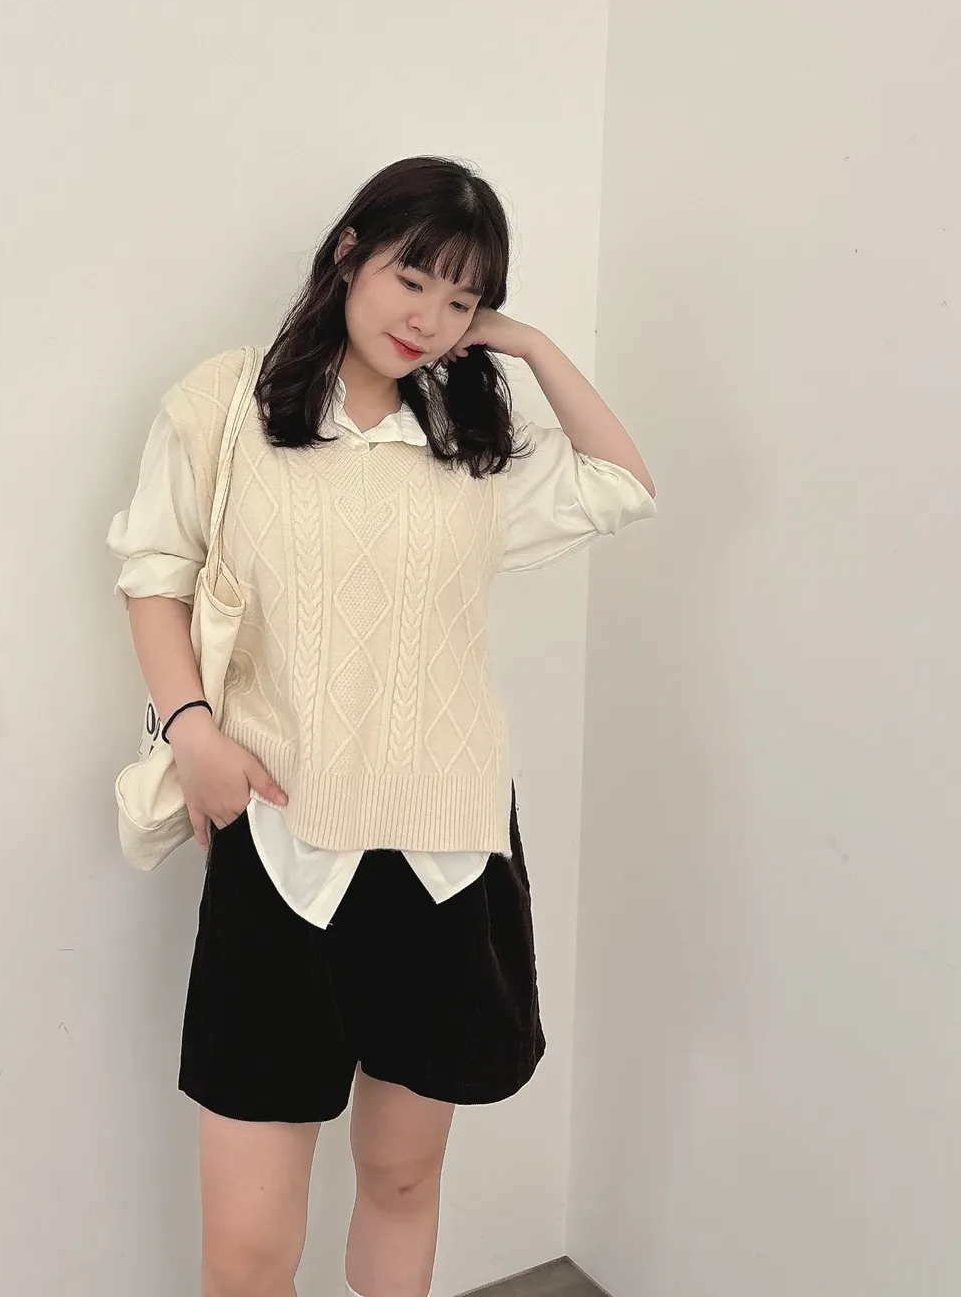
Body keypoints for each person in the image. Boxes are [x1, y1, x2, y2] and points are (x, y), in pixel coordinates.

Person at [106, 156, 657, 1297]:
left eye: (463, 299)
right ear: (350, 252)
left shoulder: (472, 441)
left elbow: (621, 483)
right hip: (281, 847)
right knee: (247, 1247)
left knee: (403, 1183)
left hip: (444, 856)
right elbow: (154, 574)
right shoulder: (224, 407)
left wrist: (527, 344)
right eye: (414, 279)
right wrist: (194, 732)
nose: (431, 319)